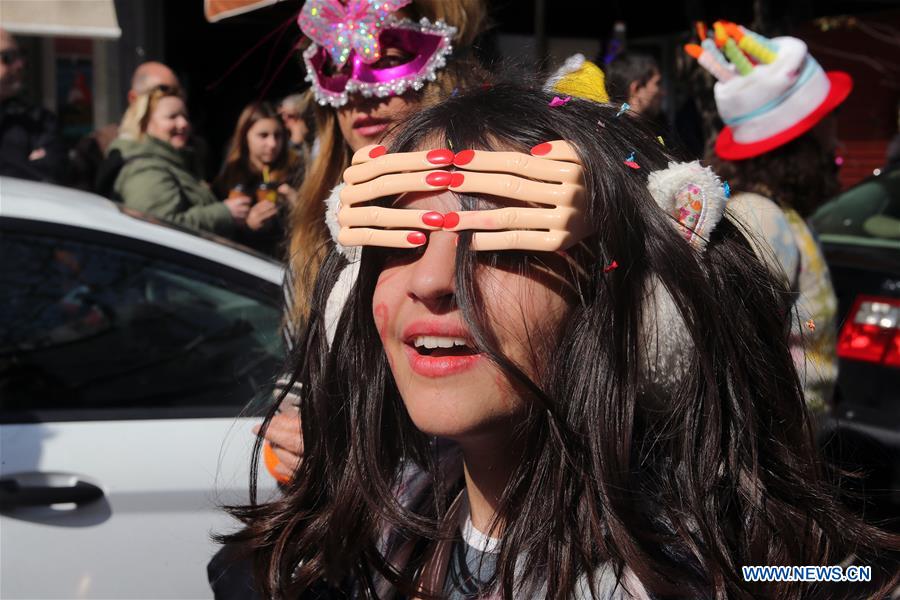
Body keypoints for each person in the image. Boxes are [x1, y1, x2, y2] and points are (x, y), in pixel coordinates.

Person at [225, 82, 900, 599]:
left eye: (499, 238)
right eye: (400, 241)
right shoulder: (374, 535)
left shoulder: (719, 568)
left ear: (641, 312)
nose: (432, 280)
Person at [689, 22, 846, 412]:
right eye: (827, 122)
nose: (837, 137)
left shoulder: (782, 215)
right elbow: (733, 360)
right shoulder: (762, 219)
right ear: (800, 142)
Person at [112, 85, 248, 235]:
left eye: (185, 116)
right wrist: (225, 213)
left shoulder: (175, 161)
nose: (183, 124)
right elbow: (160, 225)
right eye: (172, 117)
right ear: (145, 123)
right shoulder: (145, 169)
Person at [213, 101, 301, 258]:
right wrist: (248, 226)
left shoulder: (295, 171)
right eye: (263, 136)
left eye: (278, 135)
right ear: (245, 135)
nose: (272, 144)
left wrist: (298, 205)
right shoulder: (231, 177)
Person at [0, 27, 67, 183]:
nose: (19, 65)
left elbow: (52, 171)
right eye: (8, 58)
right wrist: (21, 164)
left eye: (21, 55)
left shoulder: (40, 120)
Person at [604, 51, 664, 119]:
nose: (663, 93)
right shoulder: (625, 128)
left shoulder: (605, 124)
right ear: (636, 88)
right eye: (658, 83)